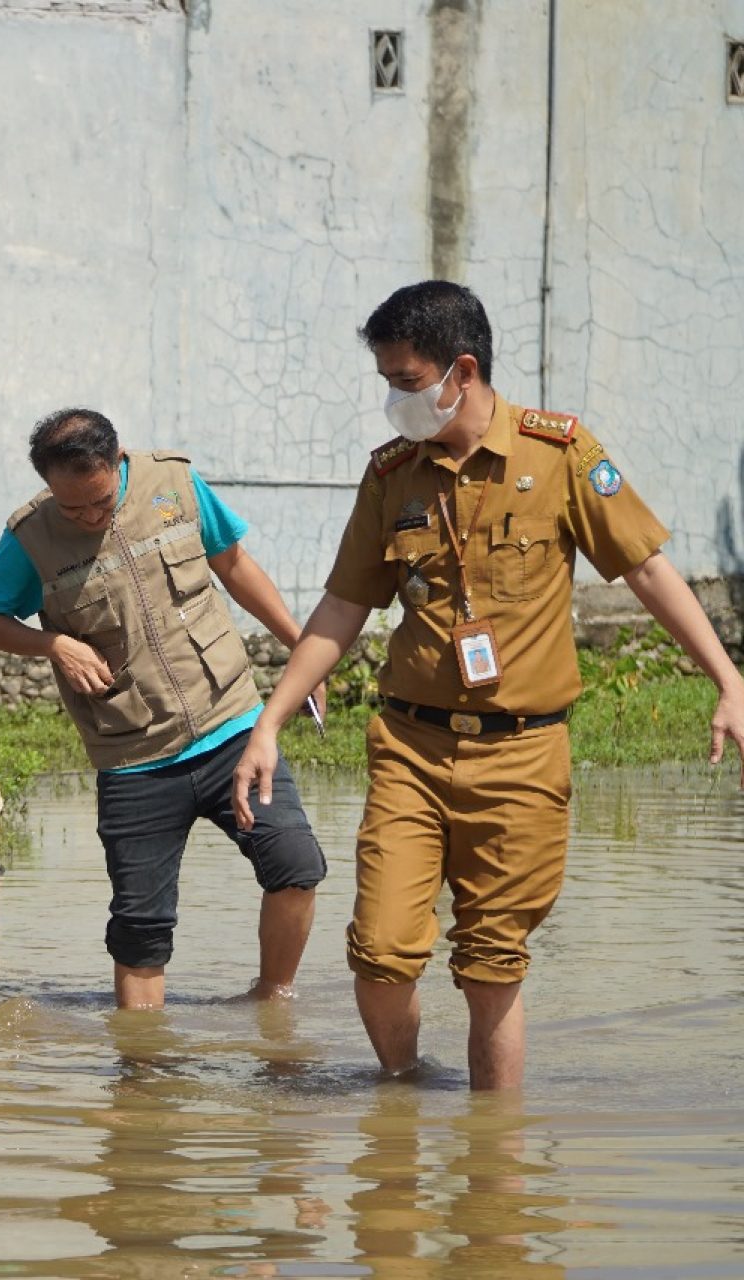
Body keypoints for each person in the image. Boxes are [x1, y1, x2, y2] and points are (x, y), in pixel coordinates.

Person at [232, 281, 744, 1089]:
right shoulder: (393, 474)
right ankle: (403, 1092)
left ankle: (493, 1173)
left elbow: (645, 568)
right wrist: (269, 722)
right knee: (379, 952)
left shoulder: (560, 453)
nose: (395, 400)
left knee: (491, 967)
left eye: (405, 382)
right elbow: (341, 606)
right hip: (410, 747)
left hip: (522, 755)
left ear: (460, 371)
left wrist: (728, 679)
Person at [0, 408, 327, 1008]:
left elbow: (234, 567)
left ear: (118, 462)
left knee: (295, 865)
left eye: (100, 502)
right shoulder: (31, 536)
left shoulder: (176, 486)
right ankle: (144, 1070)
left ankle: (272, 1002)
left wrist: (301, 647)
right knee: (140, 929)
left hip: (230, 724)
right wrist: (53, 643)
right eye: (71, 507)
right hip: (132, 754)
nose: (87, 517)